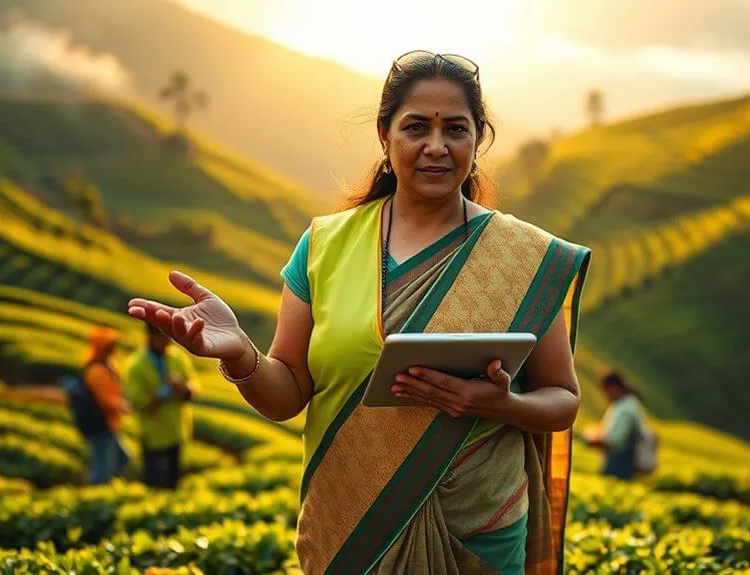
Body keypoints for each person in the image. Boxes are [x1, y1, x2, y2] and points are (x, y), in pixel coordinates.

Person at [126, 50, 591, 575]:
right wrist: (241, 356)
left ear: (476, 140)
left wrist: (498, 404)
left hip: (480, 531)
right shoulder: (326, 245)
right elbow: (288, 394)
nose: (436, 146)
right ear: (385, 136)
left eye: (455, 129)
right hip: (352, 524)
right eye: (416, 127)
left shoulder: (522, 258)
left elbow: (563, 399)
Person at [123, 321, 200, 489]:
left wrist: (184, 388)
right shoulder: (136, 364)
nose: (168, 342)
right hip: (154, 433)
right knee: (153, 481)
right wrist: (160, 394)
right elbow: (136, 401)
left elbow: (194, 385)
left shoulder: (177, 356)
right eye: (163, 337)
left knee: (174, 480)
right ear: (150, 337)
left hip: (178, 429)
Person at [80, 326, 130, 484]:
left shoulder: (106, 366)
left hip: (109, 425)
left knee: (122, 458)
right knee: (101, 471)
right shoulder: (96, 371)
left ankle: (111, 486)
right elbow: (106, 401)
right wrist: (123, 406)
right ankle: (96, 498)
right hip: (101, 426)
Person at [582, 371, 649, 480]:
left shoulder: (625, 408)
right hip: (620, 461)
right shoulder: (624, 404)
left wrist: (593, 440)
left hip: (620, 463)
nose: (605, 395)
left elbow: (615, 440)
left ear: (614, 387)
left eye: (606, 391)